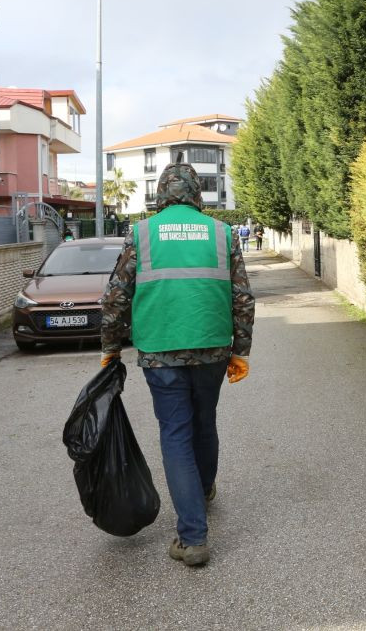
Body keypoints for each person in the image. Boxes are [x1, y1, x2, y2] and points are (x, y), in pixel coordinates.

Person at [100, 163, 255, 567]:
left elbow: (115, 297)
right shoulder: (221, 233)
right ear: (197, 194)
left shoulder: (142, 233)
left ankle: (193, 537)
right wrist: (241, 350)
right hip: (213, 348)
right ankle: (201, 491)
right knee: (205, 422)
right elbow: (243, 298)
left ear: (161, 195)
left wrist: (110, 346)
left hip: (160, 351)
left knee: (176, 434)